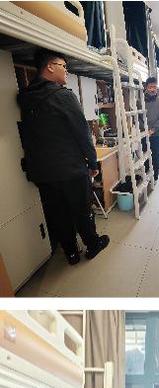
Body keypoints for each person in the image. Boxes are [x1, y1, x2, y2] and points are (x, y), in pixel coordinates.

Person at [17, 48, 110, 265]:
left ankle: (71, 253)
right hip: (70, 169)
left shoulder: (25, 97)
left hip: (43, 172)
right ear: (50, 67)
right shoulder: (63, 96)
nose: (66, 71)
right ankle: (93, 245)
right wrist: (93, 162)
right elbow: (82, 133)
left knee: (58, 214)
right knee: (82, 211)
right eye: (64, 66)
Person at [143, 77, 159, 181]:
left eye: (154, 87)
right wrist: (144, 129)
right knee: (144, 156)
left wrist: (153, 129)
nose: (152, 89)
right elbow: (138, 118)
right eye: (150, 87)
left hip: (156, 134)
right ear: (146, 87)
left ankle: (155, 178)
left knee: (155, 156)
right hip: (144, 134)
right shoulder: (140, 102)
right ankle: (145, 177)